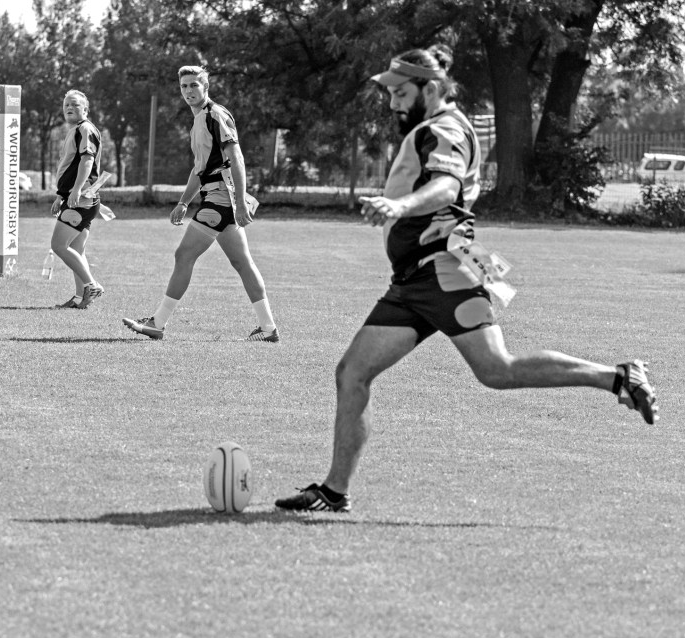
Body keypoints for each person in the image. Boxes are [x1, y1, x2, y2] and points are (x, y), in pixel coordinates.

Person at [275, 46, 659, 513]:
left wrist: (398, 205)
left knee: (497, 369)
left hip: (443, 273)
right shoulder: (432, 128)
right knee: (352, 373)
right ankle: (334, 491)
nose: (393, 103)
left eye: (401, 93)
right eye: (390, 94)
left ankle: (617, 377)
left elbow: (447, 185)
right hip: (414, 281)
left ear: (431, 89)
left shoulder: (444, 129)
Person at [122, 65, 278, 342]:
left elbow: (237, 158)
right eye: (184, 86)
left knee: (183, 255)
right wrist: (184, 202)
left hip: (220, 198)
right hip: (217, 196)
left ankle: (157, 323)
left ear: (206, 87)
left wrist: (240, 201)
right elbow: (200, 169)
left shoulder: (215, 115)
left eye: (194, 84)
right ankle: (268, 328)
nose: (188, 90)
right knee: (242, 263)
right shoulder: (199, 120)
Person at [50, 89, 105, 309]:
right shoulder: (76, 129)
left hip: (81, 199)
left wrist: (76, 190)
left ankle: (92, 285)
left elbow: (86, 161)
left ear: (86, 109)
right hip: (80, 198)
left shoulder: (85, 128)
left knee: (58, 245)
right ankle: (79, 297)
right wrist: (61, 195)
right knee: (76, 249)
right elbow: (72, 166)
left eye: (74, 104)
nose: (69, 108)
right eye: (66, 105)